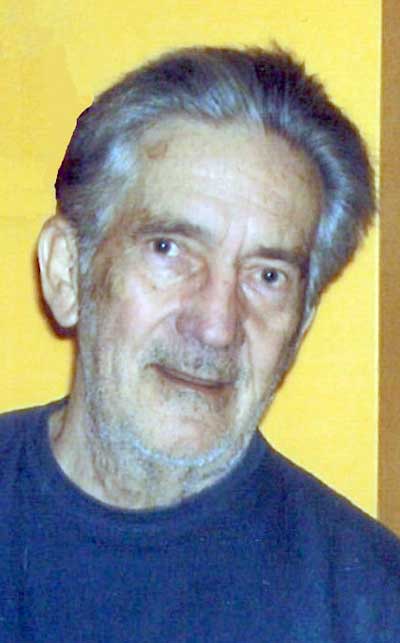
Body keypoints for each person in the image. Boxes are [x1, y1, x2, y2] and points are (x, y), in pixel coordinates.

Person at [1, 45, 399, 642]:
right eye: (169, 249)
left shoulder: (373, 607)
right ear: (66, 272)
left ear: (300, 325)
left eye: (268, 276)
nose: (216, 324)